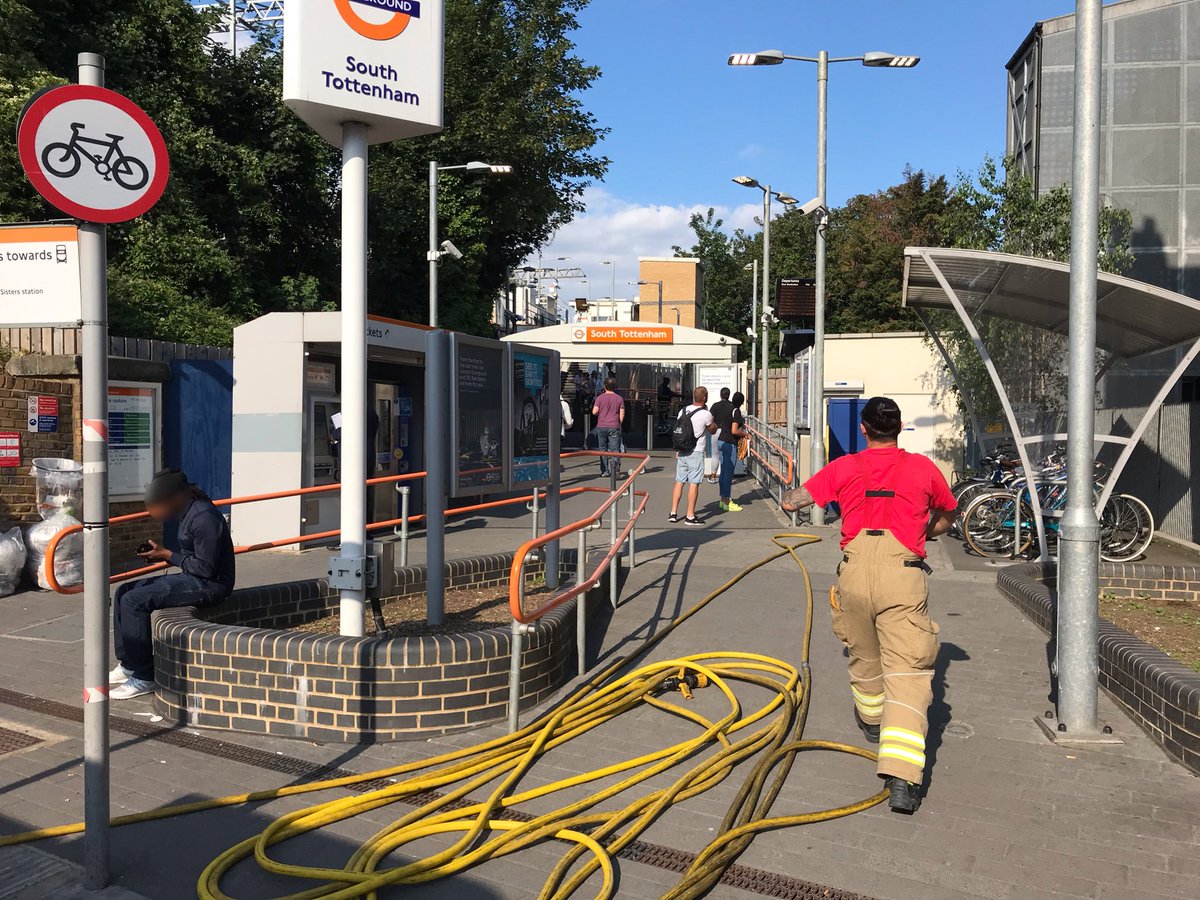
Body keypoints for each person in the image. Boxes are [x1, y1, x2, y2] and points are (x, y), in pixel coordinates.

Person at [781, 397, 957, 814]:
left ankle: (871, 722)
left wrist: (797, 487)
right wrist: (923, 530)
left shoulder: (844, 467)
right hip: (903, 574)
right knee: (908, 674)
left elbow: (793, 502)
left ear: (864, 429)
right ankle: (902, 779)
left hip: (854, 573)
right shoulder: (923, 468)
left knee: (863, 656)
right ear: (899, 428)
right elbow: (949, 514)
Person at [108, 469, 236, 700]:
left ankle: (144, 676)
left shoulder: (204, 518)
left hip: (211, 585)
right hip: (194, 577)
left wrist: (168, 554)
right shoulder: (187, 512)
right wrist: (163, 554)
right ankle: (128, 663)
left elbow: (206, 568)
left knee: (134, 601)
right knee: (123, 591)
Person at [669, 386, 718, 525]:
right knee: (694, 483)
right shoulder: (705, 414)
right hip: (696, 451)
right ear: (704, 398)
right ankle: (690, 516)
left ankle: (673, 513)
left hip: (682, 450)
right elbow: (712, 430)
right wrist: (711, 418)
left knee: (679, 481)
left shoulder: (683, 411)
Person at [713, 390, 746, 512]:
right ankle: (728, 501)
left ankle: (722, 499)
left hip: (721, 441)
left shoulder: (728, 408)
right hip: (729, 443)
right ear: (741, 402)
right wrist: (746, 434)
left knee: (723, 473)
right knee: (728, 473)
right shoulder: (736, 411)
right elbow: (734, 430)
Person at [592, 377, 625, 478]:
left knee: (603, 449)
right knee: (615, 449)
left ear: (604, 386)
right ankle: (615, 470)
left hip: (602, 425)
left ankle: (604, 471)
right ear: (614, 387)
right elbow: (622, 414)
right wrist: (619, 424)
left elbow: (594, 412)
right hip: (614, 425)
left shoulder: (599, 398)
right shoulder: (619, 398)